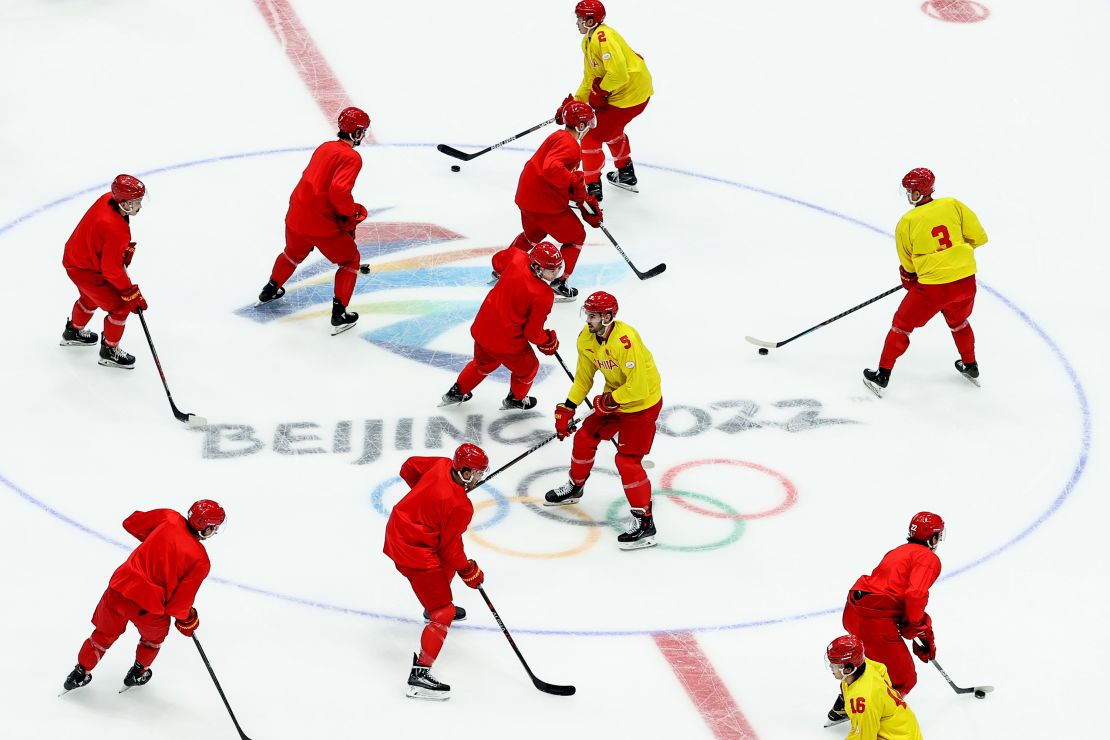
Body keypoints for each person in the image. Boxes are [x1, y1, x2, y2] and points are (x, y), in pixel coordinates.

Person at [61, 500, 226, 693]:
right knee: (153, 640)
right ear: (205, 528)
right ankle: (139, 672)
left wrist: (156, 541)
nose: (214, 532)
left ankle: (80, 673)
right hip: (148, 607)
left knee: (102, 635)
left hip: (119, 588)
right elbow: (177, 606)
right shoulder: (200, 560)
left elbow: (131, 523)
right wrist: (189, 620)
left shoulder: (169, 517)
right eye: (213, 528)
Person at [545, 291, 662, 549]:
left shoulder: (625, 340)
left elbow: (639, 388)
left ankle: (645, 523)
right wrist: (569, 406)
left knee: (627, 461)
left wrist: (608, 401)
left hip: (642, 406)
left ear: (608, 317)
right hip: (615, 400)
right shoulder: (586, 338)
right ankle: (575, 487)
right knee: (585, 437)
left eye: (594, 315)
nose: (588, 319)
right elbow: (584, 378)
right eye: (587, 313)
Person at [863, 168, 989, 396]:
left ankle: (882, 375)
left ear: (921, 192)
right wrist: (954, 256)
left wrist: (911, 279)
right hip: (965, 284)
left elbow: (908, 265)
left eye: (911, 191)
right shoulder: (953, 204)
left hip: (933, 288)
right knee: (959, 322)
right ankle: (970, 365)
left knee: (901, 326)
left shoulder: (907, 221)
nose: (909, 195)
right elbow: (978, 237)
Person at [383, 443, 491, 700]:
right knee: (445, 612)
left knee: (443, 571)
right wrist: (469, 570)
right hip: (414, 551)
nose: (479, 478)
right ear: (464, 472)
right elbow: (450, 549)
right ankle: (420, 676)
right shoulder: (459, 505)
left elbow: (408, 466)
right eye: (476, 474)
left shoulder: (441, 465)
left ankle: (432, 604)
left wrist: (424, 497)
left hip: (398, 531)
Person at [257, 106, 371, 335]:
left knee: (292, 252)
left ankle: (270, 290)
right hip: (321, 223)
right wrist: (352, 212)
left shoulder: (325, 147)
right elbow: (339, 191)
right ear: (356, 133)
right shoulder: (351, 157)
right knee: (350, 259)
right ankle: (339, 314)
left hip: (297, 214)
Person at [441, 243, 562, 410]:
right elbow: (532, 333)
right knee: (528, 368)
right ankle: (516, 399)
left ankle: (456, 392)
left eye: (558, 267)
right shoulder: (543, 295)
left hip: (483, 328)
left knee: (482, 364)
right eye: (551, 269)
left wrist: (506, 273)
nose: (556, 273)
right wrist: (547, 340)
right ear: (537, 266)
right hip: (507, 342)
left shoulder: (517, 257)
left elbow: (497, 261)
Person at [838, 512, 944, 702]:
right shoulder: (928, 558)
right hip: (875, 620)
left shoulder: (898, 551)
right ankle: (879, 717)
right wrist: (919, 629)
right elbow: (915, 595)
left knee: (870, 667)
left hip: (853, 612)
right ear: (933, 537)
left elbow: (890, 592)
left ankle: (845, 702)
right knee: (903, 679)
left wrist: (916, 629)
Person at [508, 99, 603, 302]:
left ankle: (504, 267)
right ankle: (558, 283)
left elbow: (556, 177)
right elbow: (552, 169)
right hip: (545, 204)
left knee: (533, 235)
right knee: (576, 236)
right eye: (588, 124)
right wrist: (576, 185)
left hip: (527, 197)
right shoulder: (571, 146)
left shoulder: (557, 136)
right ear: (580, 125)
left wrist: (580, 198)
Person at [562, 0, 653, 201]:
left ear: (591, 20)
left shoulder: (603, 38)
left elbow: (619, 75)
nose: (577, 22)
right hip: (630, 94)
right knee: (611, 129)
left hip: (628, 95)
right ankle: (626, 175)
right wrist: (575, 103)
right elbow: (589, 78)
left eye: (580, 18)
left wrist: (601, 92)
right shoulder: (588, 40)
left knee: (591, 135)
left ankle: (591, 190)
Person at [60, 174, 149, 369]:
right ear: (123, 202)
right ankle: (109, 351)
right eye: (135, 202)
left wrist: (117, 251)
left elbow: (100, 237)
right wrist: (129, 293)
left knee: (90, 298)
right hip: (87, 270)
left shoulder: (107, 198)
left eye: (140, 201)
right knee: (120, 307)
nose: (139, 206)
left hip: (77, 259)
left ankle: (73, 332)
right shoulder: (116, 228)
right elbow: (111, 271)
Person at [825, 634, 923, 739]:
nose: (831, 666)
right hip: (904, 726)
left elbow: (865, 737)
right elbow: (882, 669)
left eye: (834, 664)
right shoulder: (865, 664)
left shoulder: (862, 699)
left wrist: (861, 708)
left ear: (848, 670)